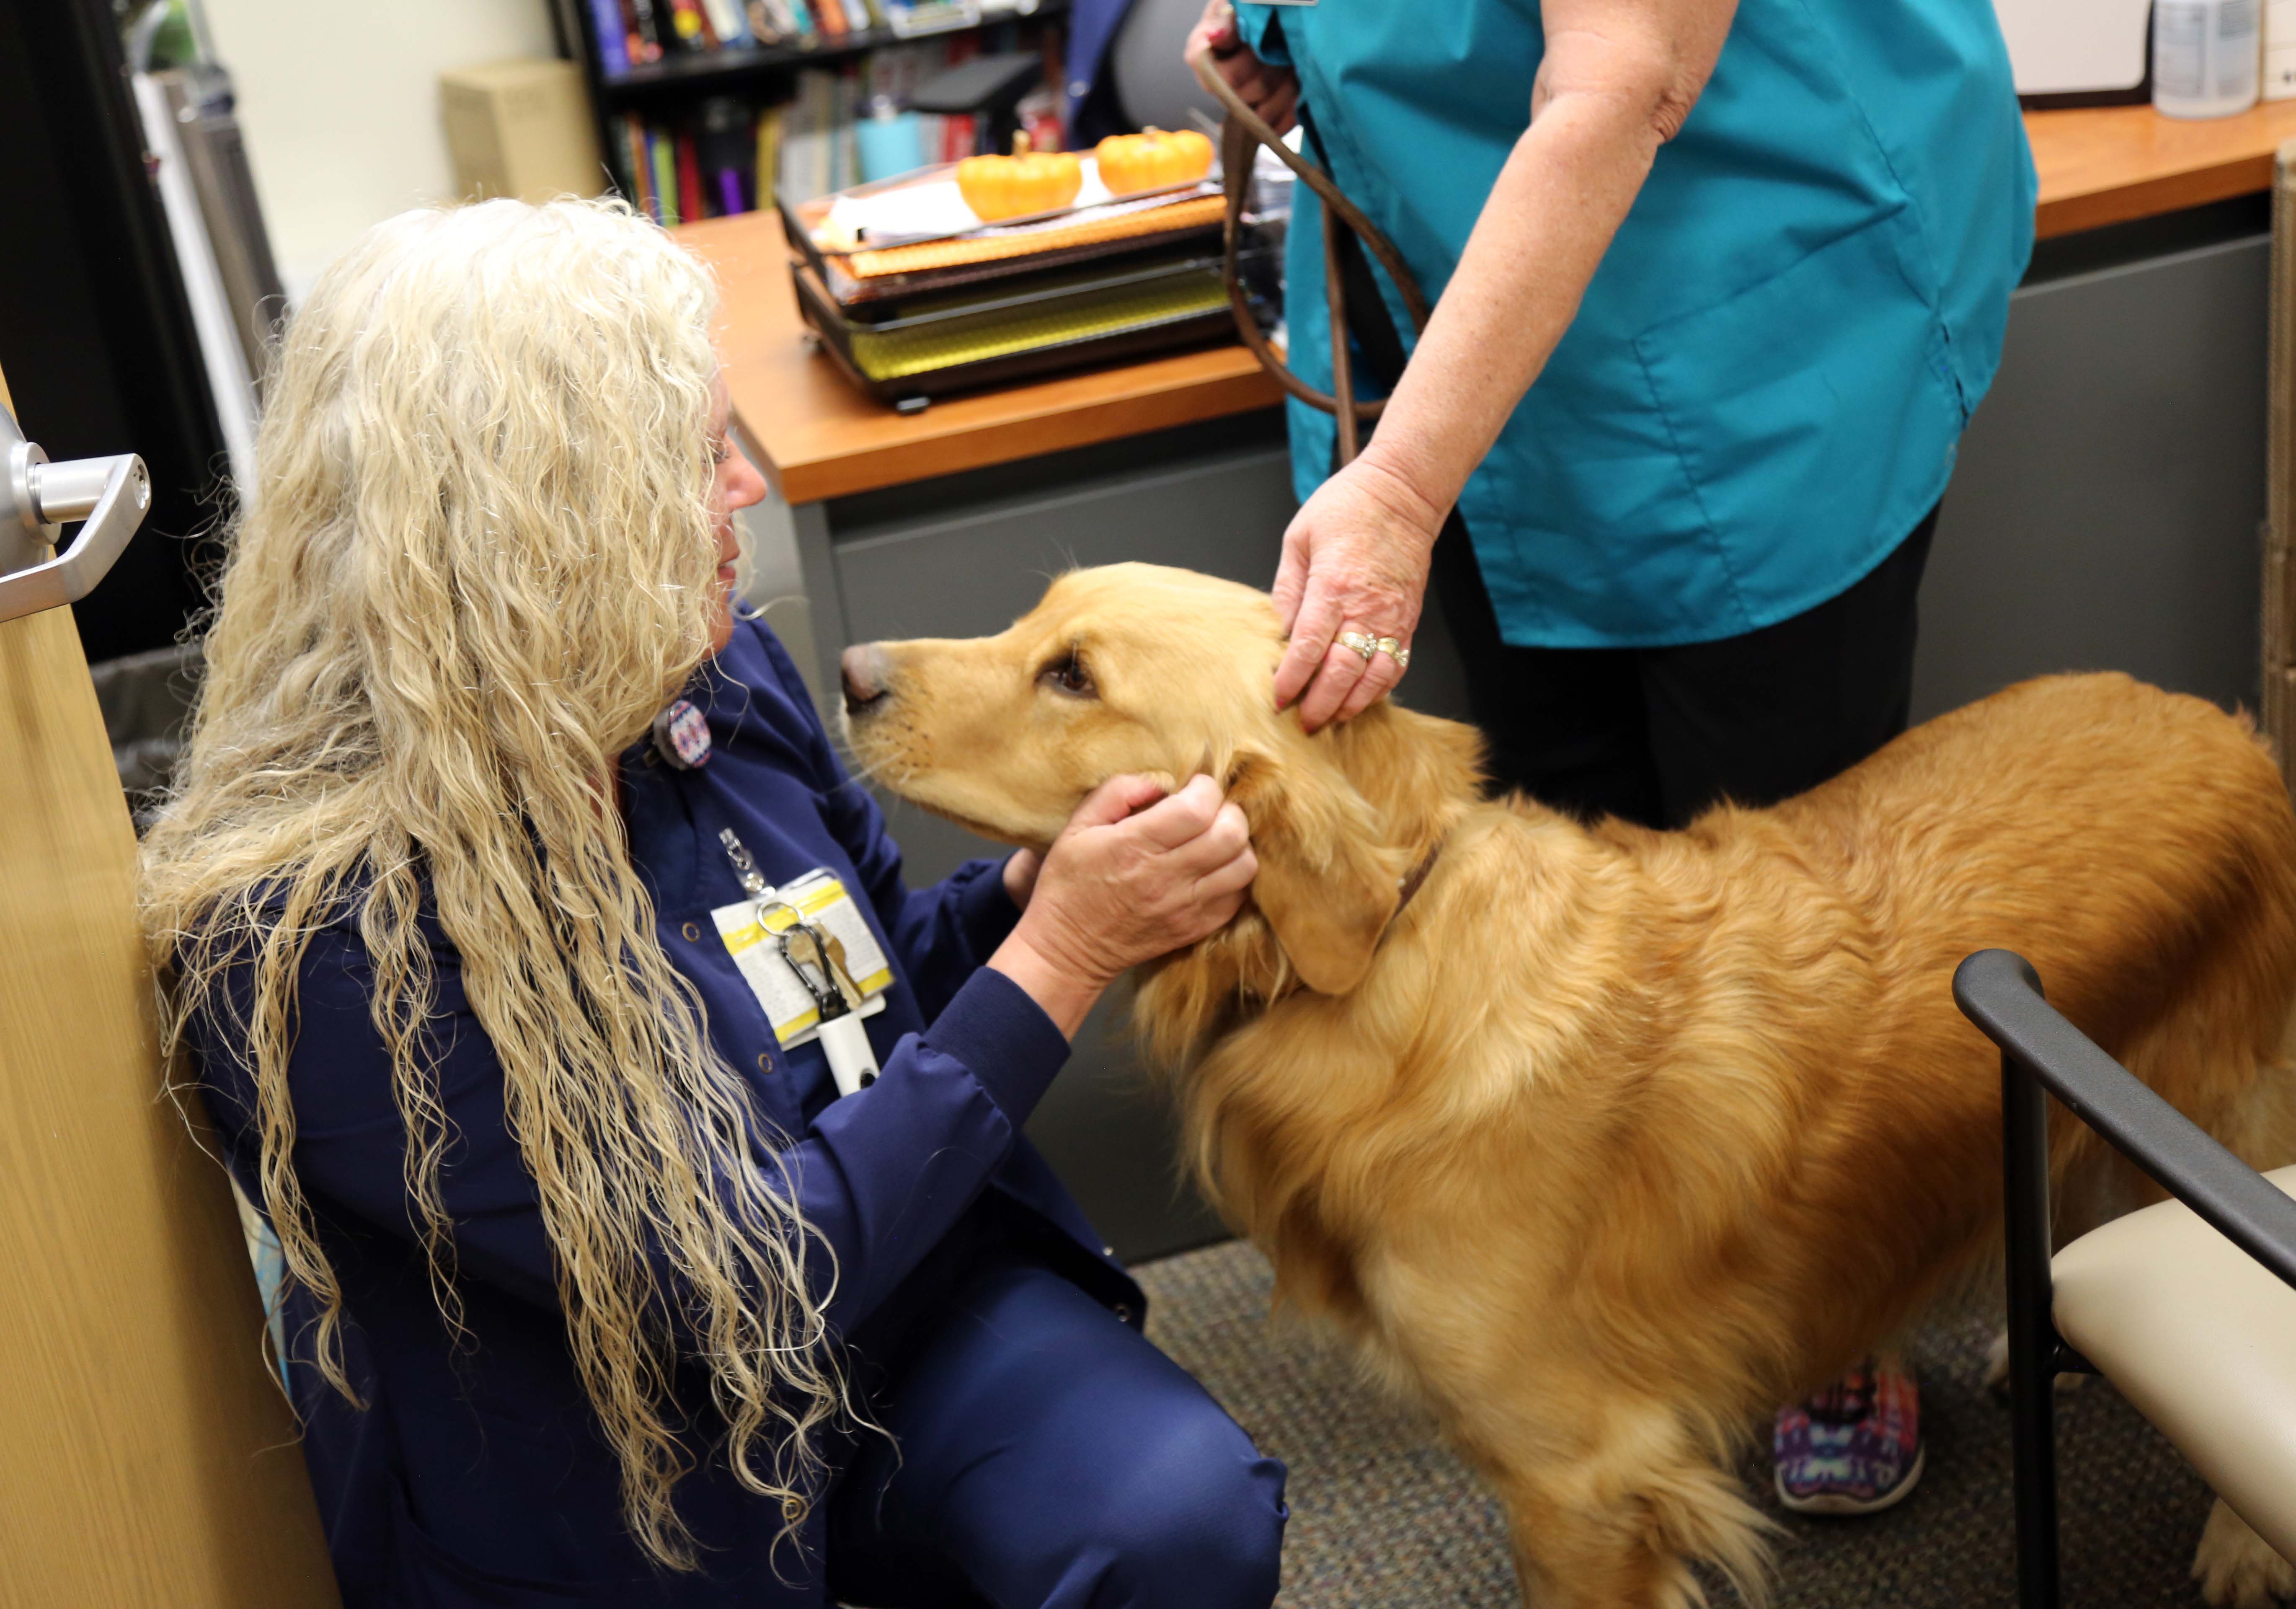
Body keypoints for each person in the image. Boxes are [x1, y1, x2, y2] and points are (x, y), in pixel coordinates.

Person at [138, 198, 1284, 1608]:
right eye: (693, 460)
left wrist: (1029, 900)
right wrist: (1065, 952)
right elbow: (734, 1287)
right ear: (538, 516)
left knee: (1173, 1520)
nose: (747, 488)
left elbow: (875, 1003)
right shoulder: (313, 932)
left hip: (903, 1318)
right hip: (627, 1485)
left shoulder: (714, 682)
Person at [1191, 0, 2033, 1516]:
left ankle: (1823, 1311)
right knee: (1576, 867)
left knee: (1784, 892)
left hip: (1745, 293)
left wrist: (1400, 491)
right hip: (1475, 308)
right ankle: (1636, 1256)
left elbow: (1620, 76)